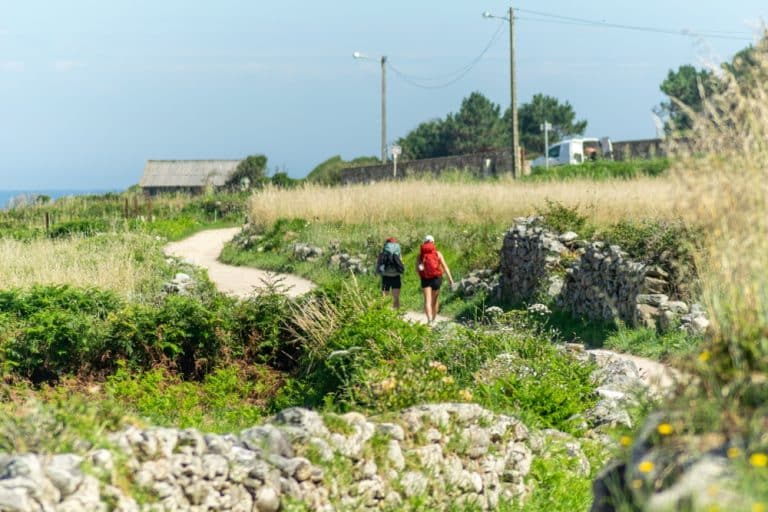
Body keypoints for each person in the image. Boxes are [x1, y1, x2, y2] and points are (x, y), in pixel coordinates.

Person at [416, 235, 454, 324]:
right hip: (436, 278)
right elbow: (445, 267)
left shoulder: (420, 255)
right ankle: (434, 319)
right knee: (435, 300)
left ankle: (429, 320)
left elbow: (417, 269)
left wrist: (422, 276)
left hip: (425, 279)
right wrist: (450, 279)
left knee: (427, 300)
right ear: (433, 242)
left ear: (424, 242)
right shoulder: (438, 253)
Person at [376, 237, 405, 308]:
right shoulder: (398, 253)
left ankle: (384, 312)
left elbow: (378, 264)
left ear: (386, 243)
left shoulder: (383, 253)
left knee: (384, 298)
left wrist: (378, 273)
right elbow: (401, 263)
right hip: (396, 277)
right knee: (396, 298)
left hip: (385, 277)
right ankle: (397, 313)